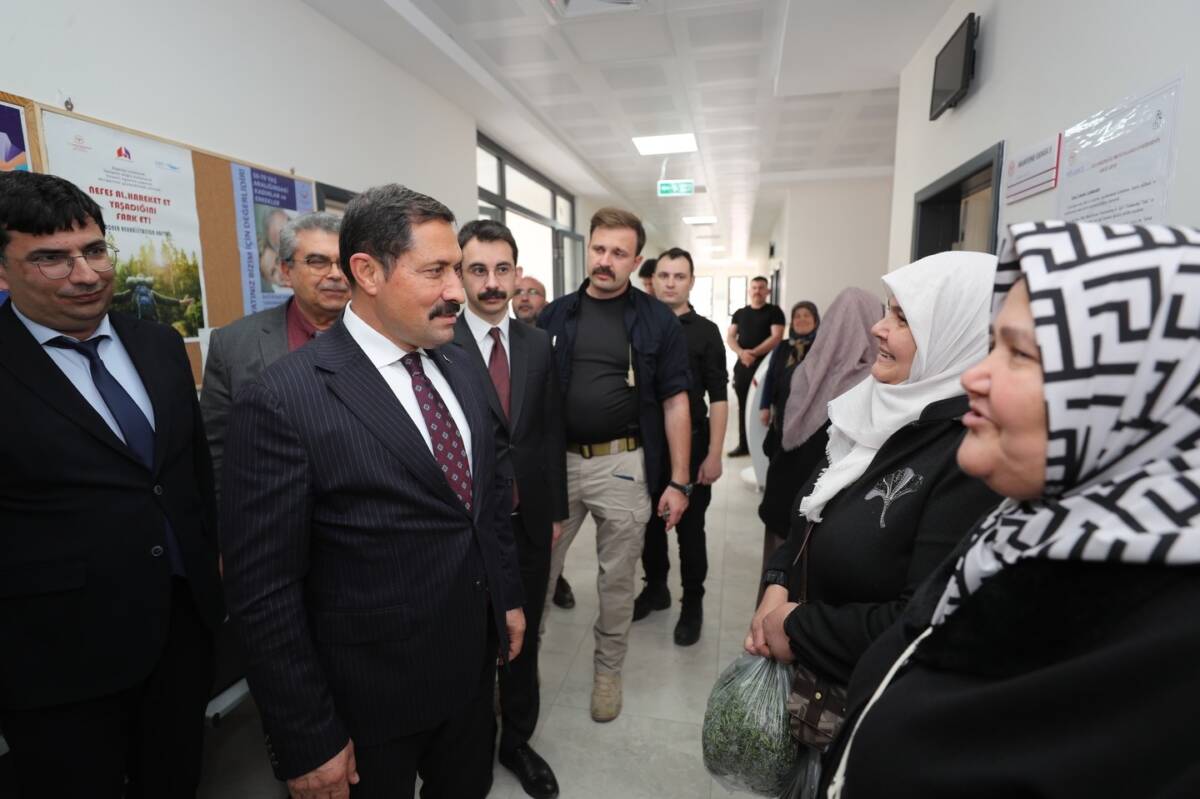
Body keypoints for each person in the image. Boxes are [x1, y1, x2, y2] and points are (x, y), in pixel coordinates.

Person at [825, 221, 1200, 799]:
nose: (976, 374)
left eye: (1019, 352)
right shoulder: (1033, 527)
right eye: (991, 344)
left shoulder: (1169, 642)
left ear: (1134, 390)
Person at [220, 184, 525, 799]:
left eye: (457, 270)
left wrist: (507, 598)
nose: (457, 292)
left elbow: (485, 501)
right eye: (435, 271)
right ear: (367, 272)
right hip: (365, 698)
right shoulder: (284, 397)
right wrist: (308, 736)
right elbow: (264, 591)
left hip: (469, 672)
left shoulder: (459, 362)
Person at [0, 171, 224, 798]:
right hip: (53, 656)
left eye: (95, 250)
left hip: (179, 630)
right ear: (4, 269)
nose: (87, 274)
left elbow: (190, 472)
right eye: (51, 258)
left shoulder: (157, 344)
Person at [746, 251, 1002, 689]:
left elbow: (922, 623)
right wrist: (777, 580)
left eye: (903, 319)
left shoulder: (969, 456)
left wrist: (797, 627)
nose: (878, 328)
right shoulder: (871, 408)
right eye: (887, 311)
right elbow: (812, 510)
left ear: (956, 335)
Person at [538, 207, 691, 722]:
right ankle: (518, 673)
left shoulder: (657, 321)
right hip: (557, 465)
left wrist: (679, 481)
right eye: (599, 249)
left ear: (636, 259)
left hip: (622, 464)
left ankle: (608, 671)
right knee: (538, 571)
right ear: (589, 248)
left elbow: (676, 401)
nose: (605, 261)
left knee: (617, 579)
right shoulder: (555, 315)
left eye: (618, 253)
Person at [453, 219, 565, 799]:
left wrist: (556, 510)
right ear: (460, 274)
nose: (492, 283)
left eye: (502, 269)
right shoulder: (439, 341)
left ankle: (517, 740)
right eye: (478, 270)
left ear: (518, 273)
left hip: (530, 520)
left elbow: (549, 431)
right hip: (467, 527)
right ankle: (471, 743)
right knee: (473, 641)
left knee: (526, 639)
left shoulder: (537, 342)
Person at [201, 211, 348, 489]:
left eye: (343, 263)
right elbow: (217, 451)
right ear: (285, 271)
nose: (335, 274)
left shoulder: (386, 338)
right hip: (271, 505)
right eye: (318, 262)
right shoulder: (233, 345)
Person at [632, 248, 727, 645]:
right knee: (649, 525)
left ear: (691, 282)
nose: (670, 283)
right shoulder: (639, 325)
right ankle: (656, 588)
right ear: (652, 280)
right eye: (663, 275)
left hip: (694, 443)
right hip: (647, 443)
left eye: (679, 276)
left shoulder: (705, 332)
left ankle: (693, 602)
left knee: (690, 530)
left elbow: (718, 397)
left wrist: (715, 453)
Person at [756, 290, 878, 580]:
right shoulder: (872, 385)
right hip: (824, 517)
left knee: (776, 580)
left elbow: (777, 439)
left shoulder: (804, 370)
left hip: (784, 499)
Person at [726, 276, 784, 456]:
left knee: (767, 407)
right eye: (754, 287)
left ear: (767, 291)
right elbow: (730, 337)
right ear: (749, 291)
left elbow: (776, 337)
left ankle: (767, 448)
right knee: (744, 407)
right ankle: (744, 445)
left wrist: (753, 353)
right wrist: (742, 353)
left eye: (761, 287)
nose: (757, 291)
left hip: (766, 368)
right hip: (743, 366)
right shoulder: (740, 313)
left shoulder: (774, 311)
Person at [758, 300, 820, 448]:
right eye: (797, 316)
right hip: (782, 410)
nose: (802, 319)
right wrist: (764, 406)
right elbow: (770, 377)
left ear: (816, 320)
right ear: (792, 322)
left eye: (807, 315)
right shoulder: (782, 346)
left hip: (812, 413)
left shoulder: (823, 347)